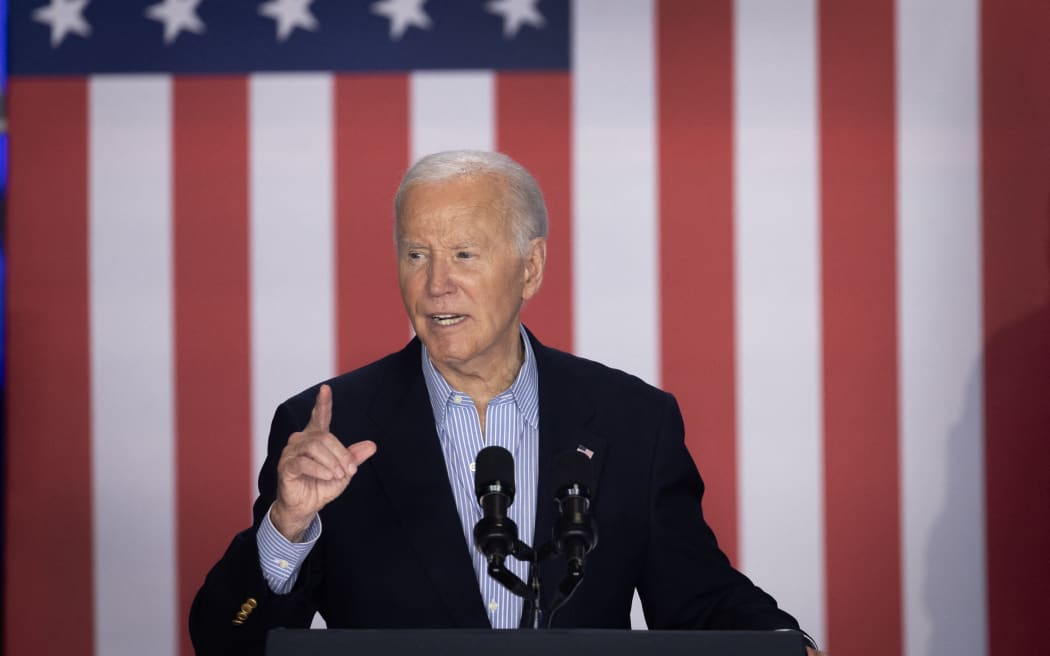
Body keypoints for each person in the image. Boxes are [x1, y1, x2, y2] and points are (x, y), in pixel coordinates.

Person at [189, 150, 822, 655]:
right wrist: (288, 526)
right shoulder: (327, 428)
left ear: (531, 267)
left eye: (464, 254)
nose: (436, 284)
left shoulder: (632, 420)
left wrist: (788, 647)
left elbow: (698, 600)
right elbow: (229, 641)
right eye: (416, 255)